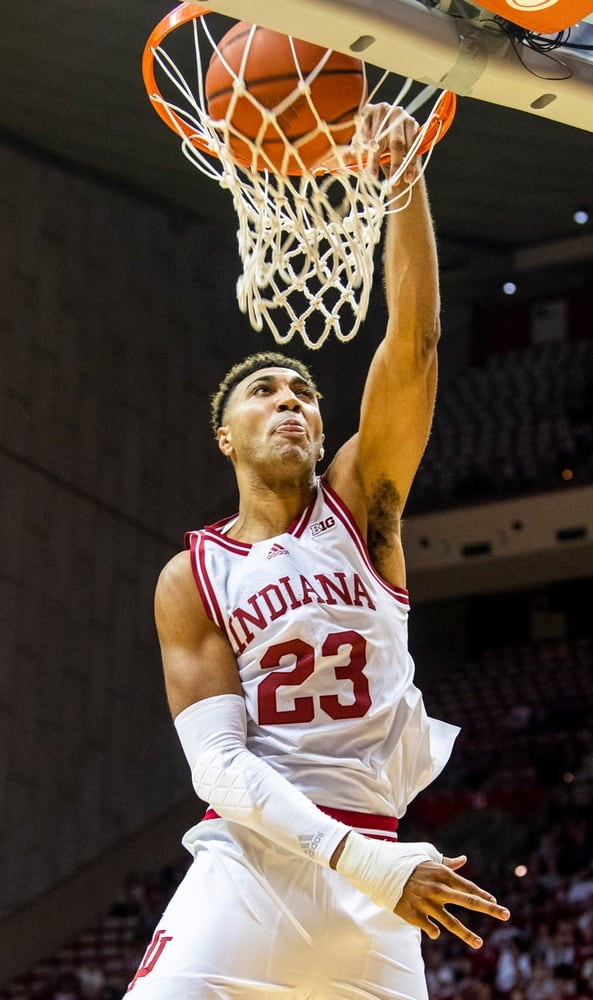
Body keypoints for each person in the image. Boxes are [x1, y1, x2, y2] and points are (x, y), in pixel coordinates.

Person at [126, 105, 510, 999]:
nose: (291, 400)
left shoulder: (362, 511)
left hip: (381, 870)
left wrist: (401, 176)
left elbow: (412, 344)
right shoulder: (194, 574)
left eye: (304, 391)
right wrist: (362, 864)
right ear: (225, 436)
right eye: (265, 391)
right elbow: (218, 765)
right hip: (254, 867)